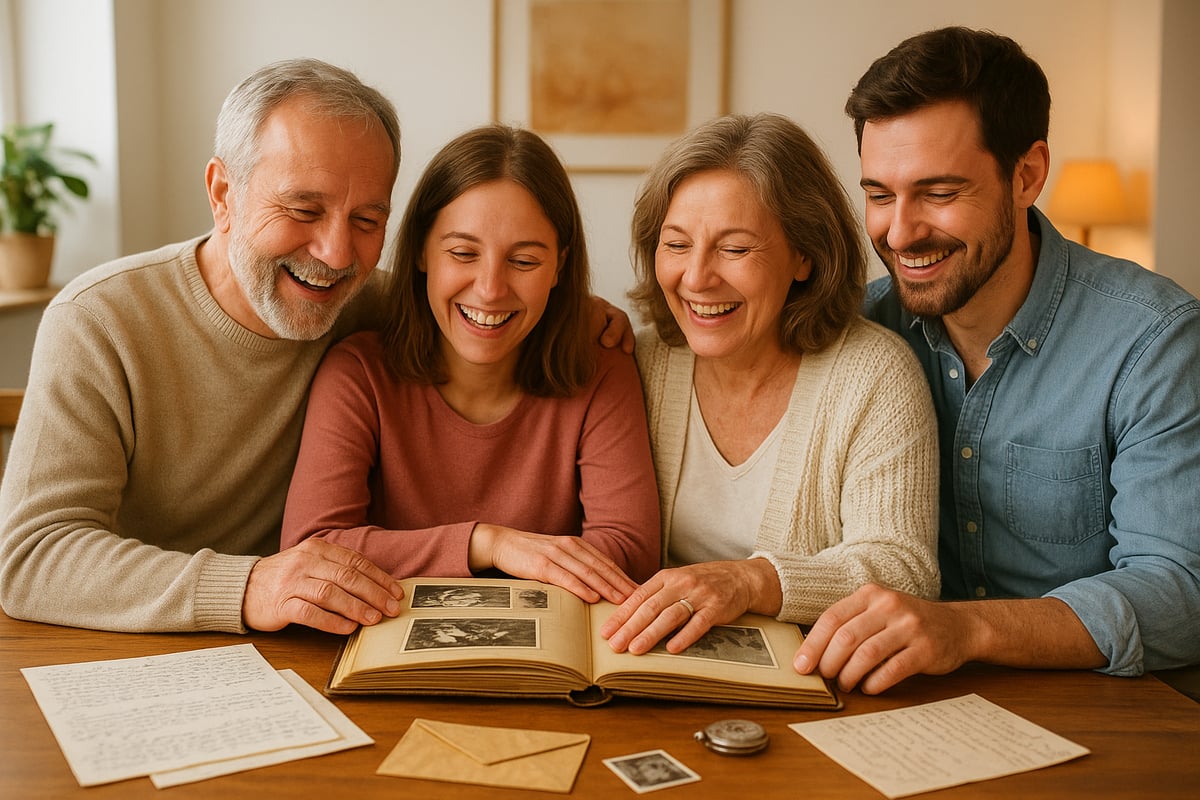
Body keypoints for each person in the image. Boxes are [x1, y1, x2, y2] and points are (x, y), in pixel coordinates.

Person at [0, 60, 631, 636]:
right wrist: (249, 584)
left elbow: (477, 300)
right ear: (223, 194)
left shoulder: (370, 304)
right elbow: (32, 557)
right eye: (304, 208)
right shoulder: (99, 321)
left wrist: (579, 312)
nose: (335, 254)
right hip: (126, 647)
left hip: (298, 644)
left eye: (366, 221)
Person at [794, 26, 1200, 694]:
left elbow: (1180, 595)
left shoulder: (1153, 342)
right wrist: (596, 326)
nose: (899, 232)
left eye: (940, 193)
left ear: (1028, 175)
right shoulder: (857, 329)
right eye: (878, 194)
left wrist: (966, 629)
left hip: (1102, 713)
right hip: (898, 701)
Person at [601, 113, 940, 656]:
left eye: (735, 249)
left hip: (809, 678)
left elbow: (904, 570)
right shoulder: (635, 362)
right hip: (644, 665)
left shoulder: (874, 373)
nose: (696, 278)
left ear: (804, 255)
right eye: (677, 244)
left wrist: (749, 581)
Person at [280, 125, 659, 604]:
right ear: (420, 249)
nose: (490, 289)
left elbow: (631, 553)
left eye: (524, 262)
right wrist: (488, 544)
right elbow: (310, 552)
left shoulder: (601, 364)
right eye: (463, 253)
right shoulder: (358, 373)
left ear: (560, 266)